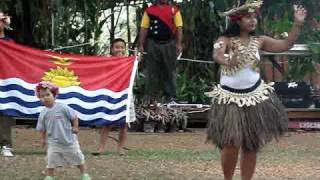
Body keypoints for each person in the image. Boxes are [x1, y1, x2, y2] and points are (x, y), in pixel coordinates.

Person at [205, 1, 306, 180]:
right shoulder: (225, 40)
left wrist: (298, 23)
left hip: (255, 97)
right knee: (231, 144)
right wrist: (227, 61)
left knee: (251, 145)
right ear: (237, 20)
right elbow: (217, 54)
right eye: (247, 17)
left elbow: (286, 45)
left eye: (254, 17)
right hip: (230, 99)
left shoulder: (260, 40)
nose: (252, 21)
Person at [35, 82, 91, 180]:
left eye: (48, 95)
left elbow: (74, 116)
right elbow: (42, 128)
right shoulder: (43, 113)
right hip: (54, 142)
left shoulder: (62, 107)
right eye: (42, 96)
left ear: (55, 95)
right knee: (51, 159)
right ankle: (50, 176)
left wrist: (75, 127)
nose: (45, 98)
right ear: (39, 98)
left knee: (78, 157)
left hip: (69, 140)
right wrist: (43, 139)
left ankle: (84, 174)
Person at [94, 38, 135, 156]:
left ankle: (120, 148)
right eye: (117, 47)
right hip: (111, 94)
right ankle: (100, 148)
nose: (120, 49)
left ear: (125, 49)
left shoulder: (129, 61)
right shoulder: (108, 62)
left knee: (124, 124)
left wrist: (136, 59)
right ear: (112, 49)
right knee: (107, 123)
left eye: (122, 47)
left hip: (126, 95)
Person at [138, 0, 183, 103]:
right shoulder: (149, 11)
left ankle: (171, 97)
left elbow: (179, 28)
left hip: (169, 44)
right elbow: (144, 28)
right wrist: (141, 44)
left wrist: (179, 44)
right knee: (152, 70)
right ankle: (150, 97)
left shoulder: (174, 10)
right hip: (152, 44)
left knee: (170, 70)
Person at [0, 10, 15, 157]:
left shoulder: (10, 43)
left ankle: (6, 145)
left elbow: (15, 62)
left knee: (5, 113)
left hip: (4, 82)